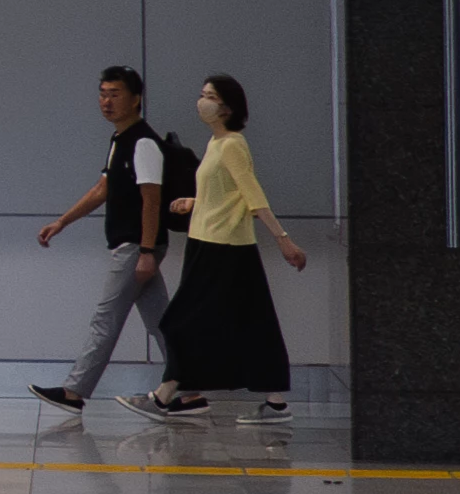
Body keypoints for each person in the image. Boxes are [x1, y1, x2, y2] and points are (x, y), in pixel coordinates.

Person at [136, 74, 309, 420]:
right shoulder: (216, 144)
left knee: (179, 320)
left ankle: (165, 394)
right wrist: (193, 201)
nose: (203, 101)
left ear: (228, 107)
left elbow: (252, 194)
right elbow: (225, 191)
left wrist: (283, 240)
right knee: (251, 321)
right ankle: (274, 401)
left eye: (210, 96)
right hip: (208, 241)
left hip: (223, 247)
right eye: (202, 94)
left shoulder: (232, 144)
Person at [29, 64, 192, 413]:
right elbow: (102, 188)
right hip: (135, 245)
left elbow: (152, 198)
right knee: (162, 323)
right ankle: (192, 390)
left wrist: (147, 251)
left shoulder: (143, 142)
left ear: (135, 100)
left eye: (115, 94)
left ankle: (74, 392)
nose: (106, 101)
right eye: (103, 94)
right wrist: (62, 222)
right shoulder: (120, 139)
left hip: (136, 245)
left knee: (106, 319)